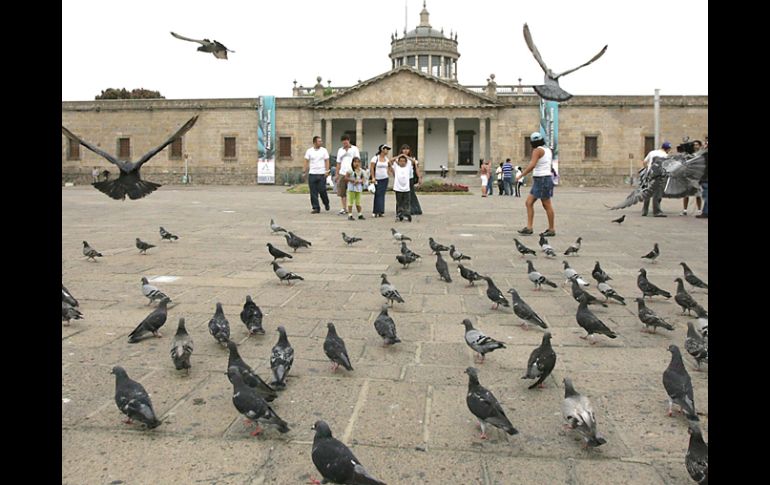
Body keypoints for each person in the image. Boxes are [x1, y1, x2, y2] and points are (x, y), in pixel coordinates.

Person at [516, 132, 556, 237]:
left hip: (542, 179)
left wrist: (521, 175)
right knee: (529, 202)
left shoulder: (537, 150)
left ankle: (551, 229)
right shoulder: (547, 150)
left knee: (546, 204)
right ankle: (529, 228)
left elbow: (532, 165)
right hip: (542, 179)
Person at [640, 141, 672, 217]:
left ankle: (644, 211)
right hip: (659, 176)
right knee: (657, 194)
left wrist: (648, 169)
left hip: (649, 174)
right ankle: (657, 211)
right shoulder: (665, 155)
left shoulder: (652, 152)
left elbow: (644, 162)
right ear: (668, 149)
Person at [303, 136, 331, 214]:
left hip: (322, 174)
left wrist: (327, 171)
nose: (321, 143)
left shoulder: (324, 150)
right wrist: (304, 171)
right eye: (319, 141)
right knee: (313, 192)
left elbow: (326, 160)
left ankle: (326, 203)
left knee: (322, 190)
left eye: (321, 141)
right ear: (315, 142)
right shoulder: (309, 151)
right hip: (312, 173)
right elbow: (306, 161)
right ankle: (316, 207)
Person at [335, 134, 361, 216]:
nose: (345, 142)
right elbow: (338, 163)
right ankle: (344, 208)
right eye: (343, 141)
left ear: (349, 140)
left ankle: (353, 207)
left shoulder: (354, 149)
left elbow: (357, 161)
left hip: (352, 173)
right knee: (342, 191)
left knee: (352, 191)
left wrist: (357, 171)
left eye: (346, 140)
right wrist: (337, 174)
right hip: (342, 172)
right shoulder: (340, 150)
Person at [681, 140, 704, 215]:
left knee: (698, 194)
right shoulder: (688, 154)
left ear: (700, 146)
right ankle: (685, 210)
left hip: (697, 177)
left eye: (697, 145)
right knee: (686, 194)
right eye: (694, 145)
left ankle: (699, 210)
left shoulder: (701, 154)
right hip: (688, 176)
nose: (695, 146)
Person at [399, 144, 423, 215]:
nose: (405, 150)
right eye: (404, 149)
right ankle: (402, 208)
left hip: (410, 178)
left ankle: (414, 209)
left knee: (411, 194)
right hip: (402, 179)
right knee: (402, 194)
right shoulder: (399, 159)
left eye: (407, 149)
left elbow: (416, 169)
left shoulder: (412, 159)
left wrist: (419, 178)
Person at [369, 144, 391, 217]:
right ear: (382, 149)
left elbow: (389, 166)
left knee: (382, 195)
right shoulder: (375, 158)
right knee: (377, 194)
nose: (387, 151)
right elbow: (372, 168)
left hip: (385, 178)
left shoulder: (386, 159)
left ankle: (381, 211)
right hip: (377, 178)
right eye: (386, 149)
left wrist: (388, 173)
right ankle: (376, 211)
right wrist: (373, 177)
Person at [390, 154, 412, 222]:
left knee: (406, 202)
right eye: (401, 161)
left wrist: (405, 155)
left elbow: (413, 161)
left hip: (406, 188)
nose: (402, 162)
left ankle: (406, 214)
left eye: (403, 161)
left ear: (406, 162)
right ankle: (399, 215)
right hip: (398, 188)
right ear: (398, 162)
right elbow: (390, 161)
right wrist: (399, 156)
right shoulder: (396, 167)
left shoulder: (408, 167)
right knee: (399, 202)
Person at [696, 137, 708, 219]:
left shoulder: (704, 155)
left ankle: (705, 212)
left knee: (706, 196)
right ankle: (705, 211)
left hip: (706, 178)